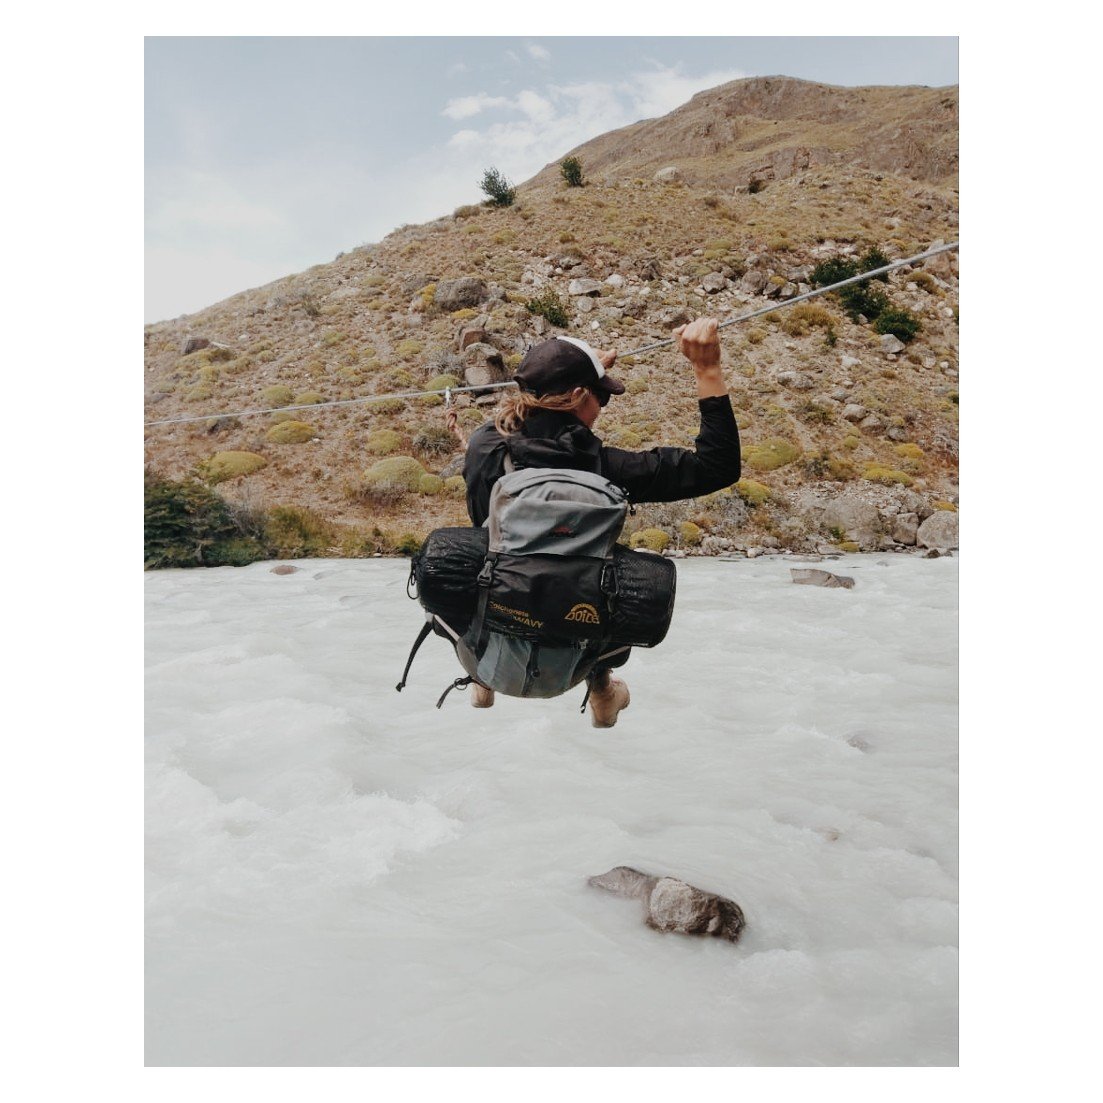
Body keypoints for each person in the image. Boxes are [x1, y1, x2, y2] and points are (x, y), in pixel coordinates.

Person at [458, 317, 741, 726]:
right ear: (577, 397)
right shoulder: (610, 469)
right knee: (608, 568)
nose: (602, 406)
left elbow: (515, 421)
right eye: (601, 397)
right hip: (573, 656)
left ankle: (479, 679)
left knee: (478, 544)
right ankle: (603, 689)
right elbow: (718, 467)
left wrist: (584, 372)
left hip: (485, 642)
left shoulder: (485, 447)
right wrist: (707, 369)